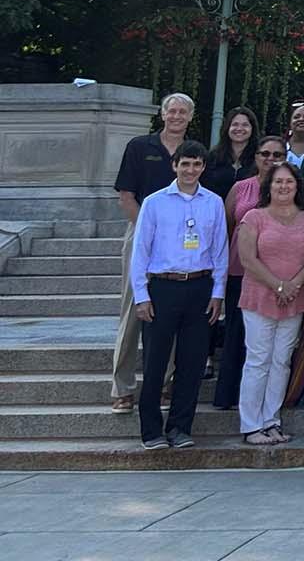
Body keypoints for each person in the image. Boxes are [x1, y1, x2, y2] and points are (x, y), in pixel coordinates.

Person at [129, 140, 227, 449]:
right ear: (175, 166)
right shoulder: (155, 202)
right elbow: (140, 251)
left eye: (196, 164)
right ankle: (151, 430)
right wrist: (141, 295)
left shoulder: (213, 202)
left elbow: (221, 250)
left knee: (192, 363)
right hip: (163, 286)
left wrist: (218, 293)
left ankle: (180, 427)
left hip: (199, 287)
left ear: (203, 167)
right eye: (185, 164)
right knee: (156, 362)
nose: (190, 170)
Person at [112, 91, 196, 415]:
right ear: (163, 114)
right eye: (171, 111)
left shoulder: (192, 151)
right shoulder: (139, 147)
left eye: (182, 112)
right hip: (142, 235)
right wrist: (151, 232)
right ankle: (122, 387)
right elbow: (126, 197)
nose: (176, 116)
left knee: (171, 310)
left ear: (189, 117)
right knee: (133, 310)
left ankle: (164, 382)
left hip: (181, 239)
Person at [234, 159, 304, 445]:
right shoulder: (254, 217)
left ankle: (271, 420)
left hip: (295, 298)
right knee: (258, 359)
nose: (284, 186)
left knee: (282, 361)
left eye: (289, 181)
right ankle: (251, 425)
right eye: (278, 182)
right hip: (259, 296)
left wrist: (294, 285)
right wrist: (278, 285)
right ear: (268, 187)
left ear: (298, 186)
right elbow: (247, 258)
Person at [212, 136, 287, 411]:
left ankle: (263, 401)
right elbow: (227, 226)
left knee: (267, 342)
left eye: (277, 155)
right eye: (265, 153)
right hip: (240, 271)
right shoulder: (241, 188)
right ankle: (227, 395)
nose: (270, 159)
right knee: (235, 334)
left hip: (278, 275)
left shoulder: (288, 188)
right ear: (255, 157)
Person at [204, 106, 259, 197]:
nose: (239, 128)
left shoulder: (259, 157)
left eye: (245, 125)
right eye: (235, 124)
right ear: (227, 127)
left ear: (252, 128)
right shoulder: (213, 157)